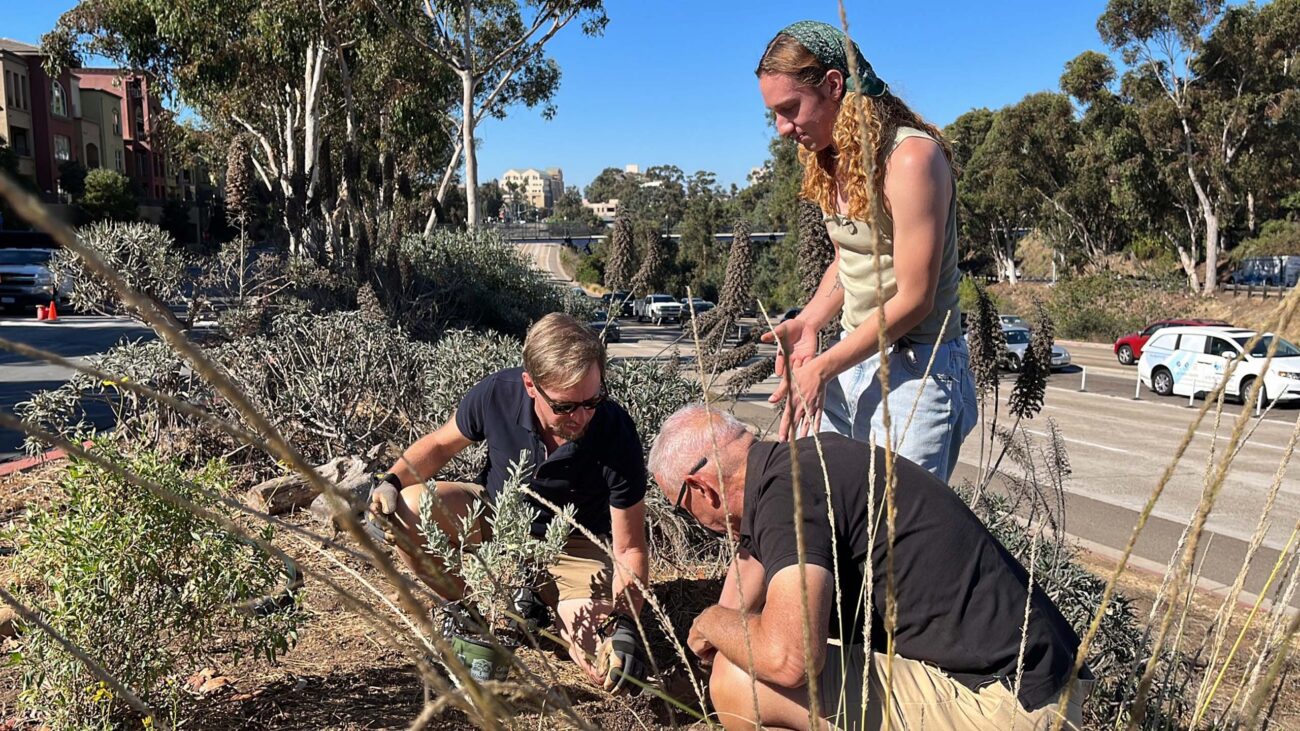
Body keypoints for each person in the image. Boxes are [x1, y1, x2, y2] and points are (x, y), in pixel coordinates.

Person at [648, 405, 1090, 730]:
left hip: (1006, 709)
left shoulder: (785, 499)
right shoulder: (804, 465)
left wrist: (711, 622)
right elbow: (752, 565)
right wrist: (723, 629)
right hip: (1039, 682)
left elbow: (789, 659)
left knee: (738, 678)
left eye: (683, 511)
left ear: (701, 489)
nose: (699, 524)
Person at [368, 313, 649, 691]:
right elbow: (438, 444)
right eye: (565, 407)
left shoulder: (616, 431)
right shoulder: (497, 393)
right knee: (408, 506)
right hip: (497, 520)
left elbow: (629, 546)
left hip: (574, 548)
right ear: (531, 385)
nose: (581, 416)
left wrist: (625, 621)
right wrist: (391, 480)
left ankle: (543, 602)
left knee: (607, 663)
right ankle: (471, 616)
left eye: (592, 400)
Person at [755, 20, 977, 481]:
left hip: (919, 372)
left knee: (895, 540)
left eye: (790, 108)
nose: (781, 128)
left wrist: (822, 367)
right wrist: (811, 321)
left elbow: (916, 299)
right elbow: (849, 259)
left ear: (834, 85)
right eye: (773, 114)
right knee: (824, 516)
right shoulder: (830, 159)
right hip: (853, 360)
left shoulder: (911, 158)